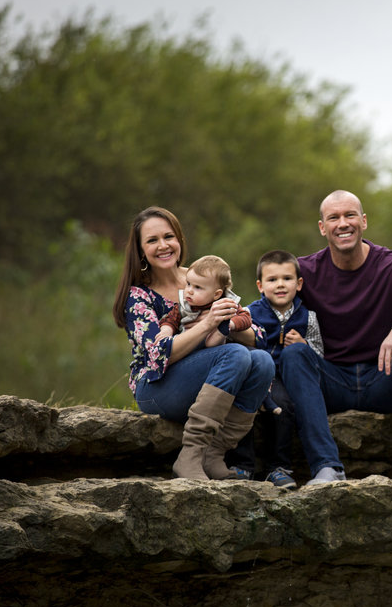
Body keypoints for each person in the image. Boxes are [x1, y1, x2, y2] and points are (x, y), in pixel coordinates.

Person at [281, 190, 392, 485]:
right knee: (294, 355)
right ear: (322, 227)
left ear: (364, 221)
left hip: (385, 379)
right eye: (334, 218)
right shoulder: (303, 271)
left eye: (350, 215)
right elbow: (264, 310)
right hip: (331, 383)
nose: (343, 223)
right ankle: (326, 467)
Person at [112, 206, 275, 480]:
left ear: (179, 240)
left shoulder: (202, 276)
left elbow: (258, 336)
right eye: (152, 240)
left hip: (210, 379)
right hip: (157, 387)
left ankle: (213, 454)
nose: (163, 245)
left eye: (169, 236)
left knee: (262, 361)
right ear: (141, 251)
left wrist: (229, 324)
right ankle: (190, 457)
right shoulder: (138, 296)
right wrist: (208, 324)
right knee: (235, 355)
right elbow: (158, 356)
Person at [227, 249, 325, 489]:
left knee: (284, 405)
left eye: (287, 279)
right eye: (272, 280)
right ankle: (242, 465)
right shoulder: (249, 314)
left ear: (299, 284)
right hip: (255, 377)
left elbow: (319, 355)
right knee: (241, 402)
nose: (280, 285)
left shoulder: (308, 317)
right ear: (260, 285)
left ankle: (278, 467)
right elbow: (234, 346)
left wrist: (304, 346)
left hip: (286, 380)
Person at [155, 255, 252, 346]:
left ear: (216, 294)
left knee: (260, 355)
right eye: (188, 284)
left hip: (220, 344)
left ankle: (218, 334)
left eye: (197, 287)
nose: (189, 291)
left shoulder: (226, 303)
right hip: (191, 346)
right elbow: (170, 320)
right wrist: (166, 330)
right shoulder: (184, 306)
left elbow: (246, 317)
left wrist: (230, 324)